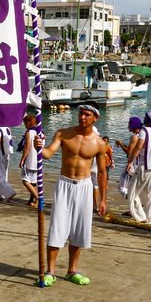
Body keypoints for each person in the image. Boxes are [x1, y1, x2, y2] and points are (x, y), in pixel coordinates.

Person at [37, 104, 108, 286]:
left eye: (86, 114)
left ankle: (72, 271)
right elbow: (48, 153)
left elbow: (101, 173)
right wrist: (39, 146)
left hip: (84, 187)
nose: (82, 117)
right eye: (81, 114)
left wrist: (102, 199)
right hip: (65, 184)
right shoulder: (63, 133)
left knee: (79, 230)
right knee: (57, 228)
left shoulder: (100, 143)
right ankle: (51, 271)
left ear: (95, 118)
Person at [0, 123, 17, 203]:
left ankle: (10, 192)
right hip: (7, 155)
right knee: (4, 175)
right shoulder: (7, 128)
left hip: (0, 155)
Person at [19, 112, 40, 207]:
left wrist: (22, 159)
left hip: (30, 160)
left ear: (28, 123)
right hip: (37, 161)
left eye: (24, 123)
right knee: (33, 182)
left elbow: (27, 147)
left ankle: (38, 198)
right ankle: (32, 200)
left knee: (25, 180)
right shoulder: (40, 132)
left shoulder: (29, 132)